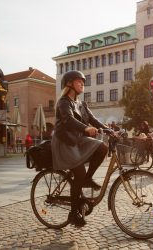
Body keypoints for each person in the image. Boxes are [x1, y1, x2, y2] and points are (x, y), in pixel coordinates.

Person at [52, 70, 114, 227]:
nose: (82, 84)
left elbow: (93, 119)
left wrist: (109, 129)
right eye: (79, 81)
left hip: (77, 139)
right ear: (69, 84)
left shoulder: (81, 104)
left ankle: (87, 178)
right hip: (64, 141)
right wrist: (86, 128)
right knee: (78, 173)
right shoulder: (63, 102)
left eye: (83, 82)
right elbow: (68, 120)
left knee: (102, 148)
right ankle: (73, 213)